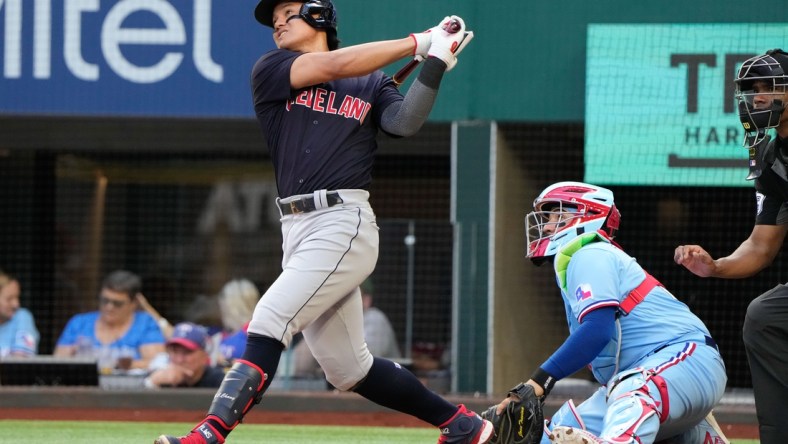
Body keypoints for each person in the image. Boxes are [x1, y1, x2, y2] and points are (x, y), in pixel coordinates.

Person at [153, 2, 490, 444]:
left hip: (342, 220)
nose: (276, 20)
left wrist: (436, 64)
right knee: (350, 369)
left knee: (270, 318)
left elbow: (403, 122)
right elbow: (334, 63)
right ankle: (463, 425)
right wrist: (418, 42)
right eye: (274, 16)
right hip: (295, 226)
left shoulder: (371, 82)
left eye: (288, 11)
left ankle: (209, 434)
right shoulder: (273, 68)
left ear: (319, 16)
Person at [492, 182, 728, 444]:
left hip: (687, 361)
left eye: (558, 215)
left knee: (632, 390)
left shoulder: (590, 252)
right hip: (654, 379)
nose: (547, 225)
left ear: (588, 216)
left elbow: (597, 329)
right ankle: (697, 436)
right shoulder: (580, 260)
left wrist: (538, 383)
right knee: (554, 433)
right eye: (548, 218)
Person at [674, 48, 788, 444]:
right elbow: (761, 245)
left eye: (768, 88)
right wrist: (716, 266)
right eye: (751, 90)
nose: (756, 98)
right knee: (765, 315)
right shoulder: (773, 159)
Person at [53, 270, 166, 370]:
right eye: (105, 300)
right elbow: (58, 362)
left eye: (117, 303)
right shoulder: (80, 323)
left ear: (133, 303)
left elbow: (156, 363)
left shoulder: (145, 324)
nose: (109, 307)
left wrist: (124, 365)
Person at [144, 322, 225, 389]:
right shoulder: (161, 375)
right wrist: (152, 382)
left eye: (187, 352)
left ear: (204, 356)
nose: (179, 359)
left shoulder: (219, 381)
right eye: (175, 351)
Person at [214, 279, 261, 365]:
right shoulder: (223, 334)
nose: (220, 303)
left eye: (224, 298)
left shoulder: (254, 332)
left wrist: (226, 362)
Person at [0, 270, 39, 357]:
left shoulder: (22, 317)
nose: (16, 304)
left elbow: (20, 361)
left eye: (17, 297)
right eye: (9, 299)